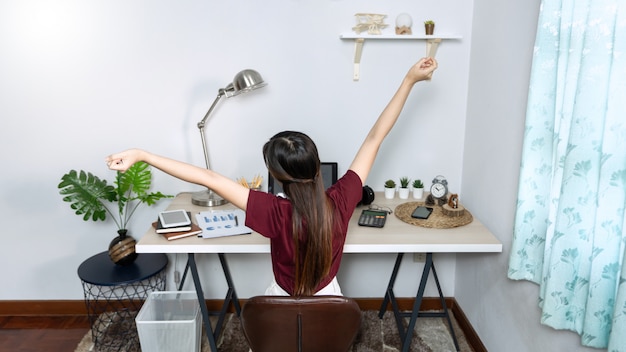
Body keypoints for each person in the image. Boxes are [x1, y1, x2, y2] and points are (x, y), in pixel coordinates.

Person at [106, 57, 438, 296]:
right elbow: (374, 139)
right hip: (330, 303)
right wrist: (408, 80)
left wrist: (144, 155)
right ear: (316, 164)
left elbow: (208, 178)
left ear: (277, 177)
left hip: (279, 301)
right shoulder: (343, 198)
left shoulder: (273, 212)